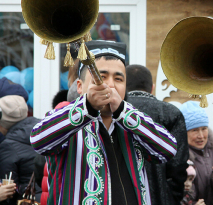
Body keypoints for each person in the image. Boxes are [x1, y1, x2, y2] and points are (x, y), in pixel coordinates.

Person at [30, 40, 177, 205]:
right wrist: (87, 107)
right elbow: (38, 140)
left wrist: (123, 111)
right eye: (102, 77)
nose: (110, 85)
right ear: (79, 86)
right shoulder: (66, 120)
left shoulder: (134, 123)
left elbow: (168, 150)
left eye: (119, 79)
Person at [126, 64, 189, 205]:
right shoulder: (171, 113)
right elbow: (178, 165)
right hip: (162, 198)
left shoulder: (112, 113)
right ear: (152, 87)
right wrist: (172, 197)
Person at [0, 95, 42, 204]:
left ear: (1, 123)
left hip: (29, 201)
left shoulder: (8, 146)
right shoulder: (44, 129)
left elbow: (9, 189)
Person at [180, 101, 213, 205]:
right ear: (184, 133)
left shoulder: (210, 150)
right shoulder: (180, 156)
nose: (201, 136)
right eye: (195, 130)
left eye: (204, 129)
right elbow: (175, 194)